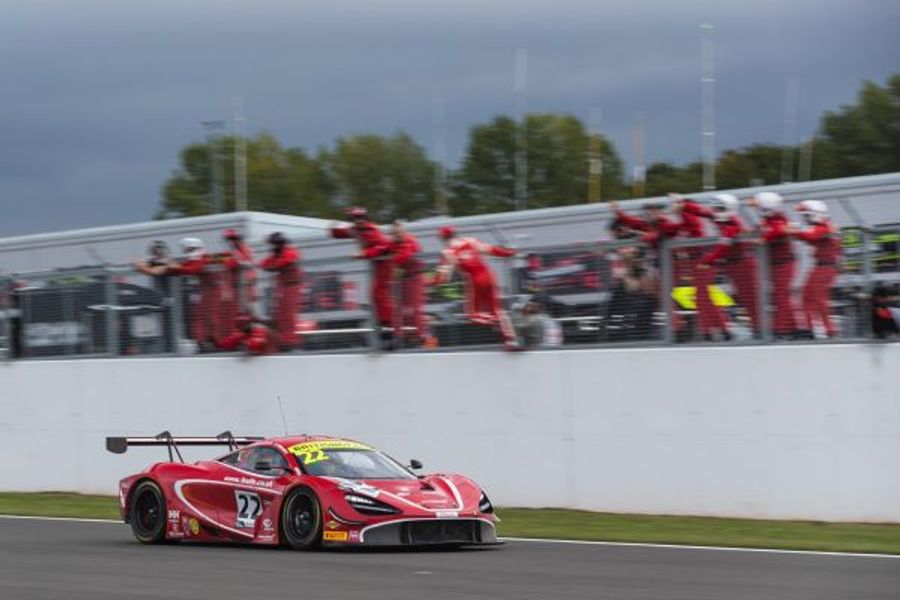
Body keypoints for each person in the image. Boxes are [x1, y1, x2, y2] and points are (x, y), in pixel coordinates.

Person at [682, 195, 759, 340]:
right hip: (733, 264)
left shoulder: (733, 225)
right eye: (716, 208)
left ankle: (760, 328)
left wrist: (707, 260)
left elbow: (722, 247)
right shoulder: (719, 217)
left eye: (720, 208)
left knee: (751, 298)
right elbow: (702, 211)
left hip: (744, 263)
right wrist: (684, 204)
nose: (716, 211)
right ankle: (756, 328)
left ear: (729, 209)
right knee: (743, 298)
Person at [432, 225, 519, 350]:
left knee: (472, 315)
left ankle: (494, 321)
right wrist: (509, 253)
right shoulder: (470, 240)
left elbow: (444, 275)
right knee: (497, 309)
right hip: (489, 275)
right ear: (455, 234)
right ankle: (511, 340)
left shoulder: (448, 251)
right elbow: (491, 250)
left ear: (442, 237)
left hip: (473, 280)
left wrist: (435, 282)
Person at [330, 208, 396, 349]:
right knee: (376, 296)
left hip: (385, 263)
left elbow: (386, 245)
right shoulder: (355, 230)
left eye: (361, 217)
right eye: (355, 218)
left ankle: (389, 332)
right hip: (377, 264)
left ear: (366, 218)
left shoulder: (372, 231)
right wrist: (336, 221)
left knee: (380, 295)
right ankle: (385, 330)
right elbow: (336, 233)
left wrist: (364, 254)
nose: (359, 220)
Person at [752, 192, 798, 339]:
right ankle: (787, 327)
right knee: (778, 296)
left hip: (784, 263)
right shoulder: (768, 220)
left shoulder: (780, 219)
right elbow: (764, 229)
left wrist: (764, 239)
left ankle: (783, 329)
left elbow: (778, 230)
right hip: (774, 264)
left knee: (782, 296)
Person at [793, 200, 842, 338]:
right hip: (820, 266)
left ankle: (828, 329)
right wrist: (796, 233)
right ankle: (809, 328)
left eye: (807, 216)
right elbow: (809, 239)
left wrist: (795, 230)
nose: (805, 219)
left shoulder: (826, 227)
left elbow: (810, 236)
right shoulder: (824, 227)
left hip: (825, 267)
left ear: (816, 214)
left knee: (818, 299)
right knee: (806, 297)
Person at [166, 238, 224, 350]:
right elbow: (185, 267)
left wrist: (175, 268)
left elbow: (192, 269)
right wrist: (172, 269)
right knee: (200, 316)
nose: (186, 252)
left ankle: (213, 340)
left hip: (213, 290)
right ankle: (202, 341)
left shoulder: (203, 257)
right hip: (206, 290)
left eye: (187, 249)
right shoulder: (198, 256)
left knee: (210, 317)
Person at [390, 220, 431, 347]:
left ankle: (421, 336)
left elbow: (404, 256)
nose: (396, 235)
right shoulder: (395, 242)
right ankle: (399, 336)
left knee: (416, 309)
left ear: (404, 232)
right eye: (394, 233)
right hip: (403, 279)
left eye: (398, 232)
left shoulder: (410, 241)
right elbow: (388, 250)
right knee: (398, 309)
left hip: (415, 278)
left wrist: (393, 262)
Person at [259, 232, 302, 351]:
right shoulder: (278, 254)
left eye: (274, 244)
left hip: (292, 286)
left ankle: (291, 342)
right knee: (279, 314)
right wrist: (273, 260)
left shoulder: (290, 251)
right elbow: (264, 264)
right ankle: (282, 341)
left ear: (279, 243)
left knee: (288, 314)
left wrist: (274, 261)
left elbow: (281, 263)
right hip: (283, 286)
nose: (272, 247)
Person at [221, 229, 257, 324]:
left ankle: (252, 329)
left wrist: (237, 260)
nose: (231, 241)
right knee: (237, 311)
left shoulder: (245, 249)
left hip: (247, 284)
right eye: (229, 239)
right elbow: (229, 264)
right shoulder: (228, 252)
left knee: (249, 309)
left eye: (233, 239)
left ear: (238, 238)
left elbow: (246, 263)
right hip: (236, 286)